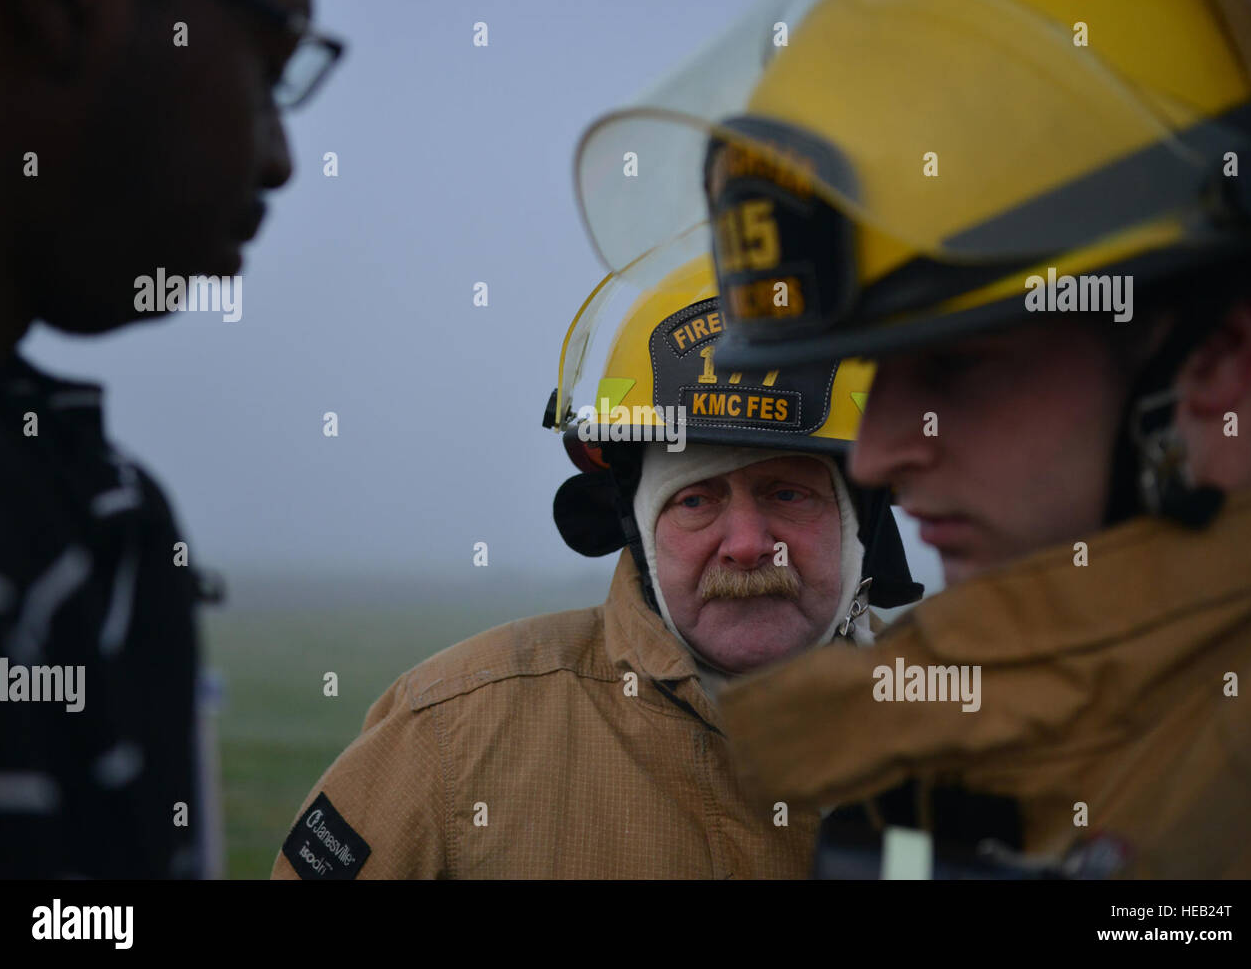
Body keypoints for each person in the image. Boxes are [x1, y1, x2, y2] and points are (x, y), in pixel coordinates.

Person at [571, 0, 1251, 877]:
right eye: (879, 373)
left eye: (955, 363)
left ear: (1218, 354)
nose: (876, 455)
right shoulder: (952, 747)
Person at [270, 256, 922, 879]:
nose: (748, 545)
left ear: (860, 521)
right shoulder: (450, 737)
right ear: (635, 527)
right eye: (696, 499)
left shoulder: (968, 739)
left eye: (788, 493)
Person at [0, 0, 343, 878]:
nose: (280, 160)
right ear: (57, 3)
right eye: (269, 72)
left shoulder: (75, 497)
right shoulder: (37, 514)